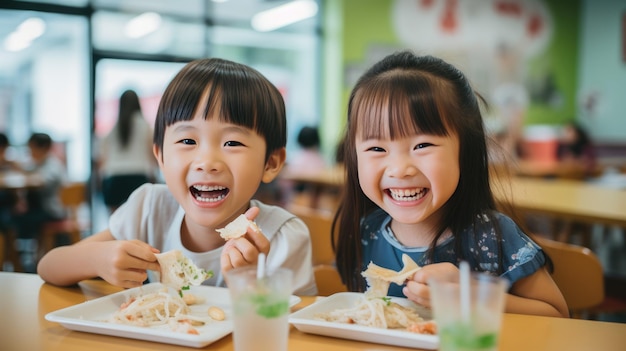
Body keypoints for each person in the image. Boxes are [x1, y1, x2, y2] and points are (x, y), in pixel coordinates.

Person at [38, 57, 317, 296]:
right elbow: (48, 266)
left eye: (232, 143)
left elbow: (294, 335)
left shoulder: (282, 238)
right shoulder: (149, 208)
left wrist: (251, 284)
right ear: (160, 155)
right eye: (187, 141)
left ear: (271, 162)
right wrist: (97, 259)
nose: (207, 162)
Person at [331, 51, 569, 318]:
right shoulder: (366, 230)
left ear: (464, 151)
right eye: (376, 148)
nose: (400, 169)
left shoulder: (491, 236)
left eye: (422, 145)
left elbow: (556, 314)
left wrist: (472, 295)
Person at [12, 132, 67, 271]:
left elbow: (42, 181)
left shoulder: (53, 164)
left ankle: (24, 260)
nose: (30, 152)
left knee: (18, 220)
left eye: (32, 148)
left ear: (43, 148)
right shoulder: (38, 163)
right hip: (39, 209)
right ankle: (22, 258)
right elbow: (29, 172)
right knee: (16, 217)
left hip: (50, 211)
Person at [98, 89, 158, 214]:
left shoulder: (113, 129)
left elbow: (103, 157)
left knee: (114, 224)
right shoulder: (145, 126)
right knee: (138, 220)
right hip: (138, 176)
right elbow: (152, 153)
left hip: (113, 177)